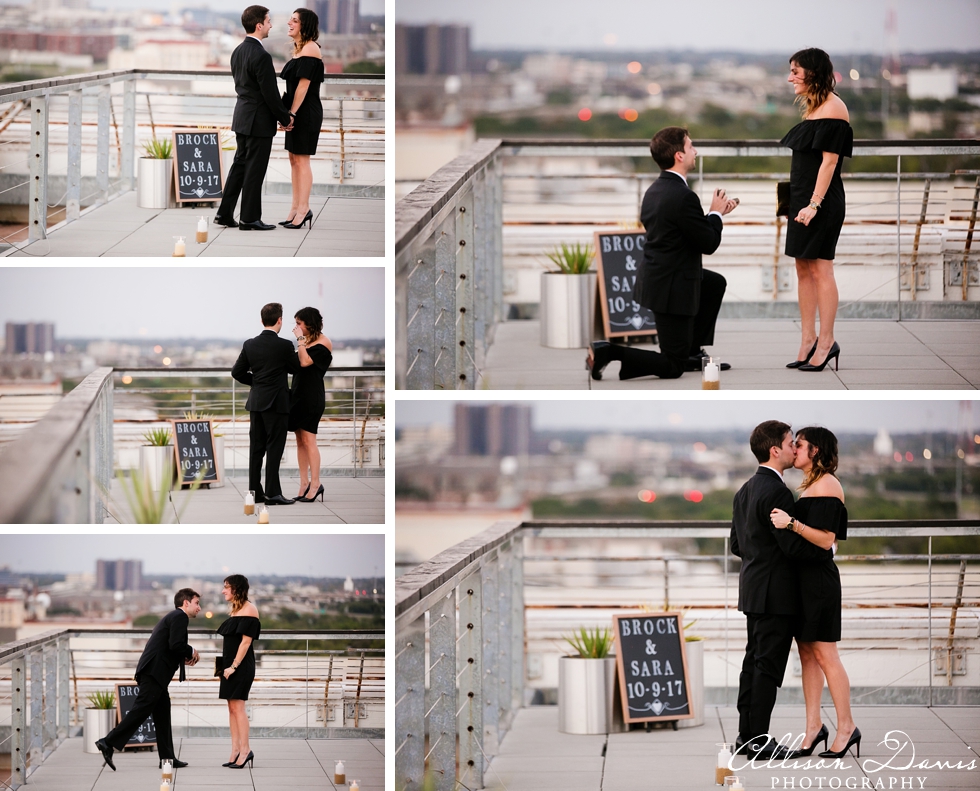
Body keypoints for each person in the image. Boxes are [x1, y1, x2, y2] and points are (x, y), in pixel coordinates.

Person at [587, 126, 738, 381]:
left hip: (660, 277)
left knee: (713, 283)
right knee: (672, 365)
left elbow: (683, 231)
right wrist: (715, 214)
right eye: (691, 146)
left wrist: (715, 215)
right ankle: (607, 351)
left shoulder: (656, 190)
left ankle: (691, 350)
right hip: (671, 288)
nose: (695, 151)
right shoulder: (682, 196)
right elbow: (708, 243)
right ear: (679, 155)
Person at [729, 421, 833, 759]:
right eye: (790, 442)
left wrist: (760, 559)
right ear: (775, 450)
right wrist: (826, 550)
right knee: (767, 668)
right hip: (777, 595)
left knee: (752, 663)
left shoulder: (744, 489)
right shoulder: (777, 492)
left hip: (753, 589)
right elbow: (791, 547)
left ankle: (745, 738)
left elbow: (735, 545)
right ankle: (758, 741)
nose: (793, 447)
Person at [770, 427, 860, 759]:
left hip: (819, 582)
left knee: (826, 656)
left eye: (800, 445)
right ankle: (813, 728)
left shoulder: (827, 484)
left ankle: (847, 727)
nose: (794, 449)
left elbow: (825, 540)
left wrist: (791, 523)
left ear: (816, 451)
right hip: (803, 581)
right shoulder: (809, 484)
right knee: (807, 655)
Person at [782, 48, 852, 372]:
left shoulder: (835, 108)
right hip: (802, 201)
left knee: (822, 270)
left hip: (820, 204)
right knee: (802, 270)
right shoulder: (815, 108)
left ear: (813, 72)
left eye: (796, 72)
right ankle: (807, 339)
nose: (790, 77)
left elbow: (829, 162)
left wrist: (813, 205)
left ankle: (827, 341)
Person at [95, 589, 201, 771]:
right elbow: (176, 644)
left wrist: (182, 656)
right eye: (197, 603)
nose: (199, 607)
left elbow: (169, 647)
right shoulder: (180, 616)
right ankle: (107, 742)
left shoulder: (174, 617)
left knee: (162, 714)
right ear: (186, 603)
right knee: (141, 710)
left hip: (155, 673)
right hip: (154, 674)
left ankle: (167, 759)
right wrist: (191, 651)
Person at [214, 5, 293, 231]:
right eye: (268, 21)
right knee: (254, 170)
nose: (270, 25)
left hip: (242, 117)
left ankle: (224, 213)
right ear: (259, 25)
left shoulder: (237, 51)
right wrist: (285, 118)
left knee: (239, 166)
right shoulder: (262, 55)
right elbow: (269, 93)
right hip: (258, 122)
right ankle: (249, 218)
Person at [231, 302, 301, 505]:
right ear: (279, 320)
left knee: (256, 449)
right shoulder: (285, 345)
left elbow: (237, 372)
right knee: (274, 449)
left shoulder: (249, 344)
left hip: (256, 403)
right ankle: (273, 493)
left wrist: (257, 382)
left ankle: (255, 493)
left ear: (262, 321)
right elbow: (296, 368)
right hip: (277, 405)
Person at [279, 8, 324, 229]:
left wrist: (292, 114)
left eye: (295, 20)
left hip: (306, 112)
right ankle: (295, 208)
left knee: (302, 160)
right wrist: (285, 113)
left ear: (304, 25)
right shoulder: (298, 49)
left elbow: (304, 86)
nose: (290, 23)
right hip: (296, 111)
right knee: (293, 160)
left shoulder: (311, 48)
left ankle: (304, 209)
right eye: (290, 19)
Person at [288, 307, 333, 501]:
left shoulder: (324, 343)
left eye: (299, 323)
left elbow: (305, 362)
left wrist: (299, 340)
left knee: (309, 440)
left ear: (309, 324)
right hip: (297, 394)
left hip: (312, 396)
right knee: (299, 441)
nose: (296, 327)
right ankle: (304, 483)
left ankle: (316, 483)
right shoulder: (306, 341)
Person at [217, 574, 261, 769]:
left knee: (239, 708)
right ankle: (235, 750)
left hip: (240, 667)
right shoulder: (235, 611)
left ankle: (245, 750)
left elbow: (245, 642)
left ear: (237, 589)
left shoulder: (250, 609)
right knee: (232, 708)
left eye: (227, 587)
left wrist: (233, 667)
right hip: (229, 667)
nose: (223, 590)